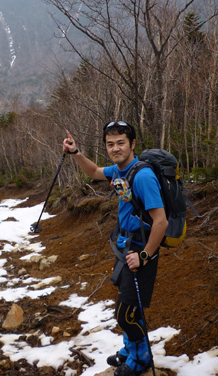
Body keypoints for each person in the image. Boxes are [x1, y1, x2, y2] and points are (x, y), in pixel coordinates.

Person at [63, 121, 168, 376]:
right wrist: (76, 153)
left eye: (121, 143)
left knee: (125, 314)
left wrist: (144, 256)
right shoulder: (119, 170)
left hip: (141, 250)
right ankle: (130, 349)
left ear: (132, 144)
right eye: (110, 144)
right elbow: (94, 171)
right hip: (126, 247)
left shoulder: (142, 176)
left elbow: (161, 221)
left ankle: (141, 359)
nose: (115, 148)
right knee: (131, 308)